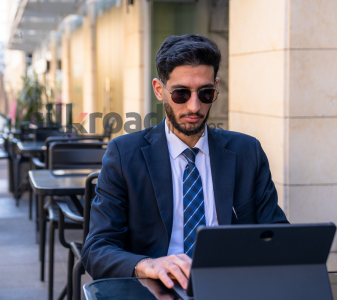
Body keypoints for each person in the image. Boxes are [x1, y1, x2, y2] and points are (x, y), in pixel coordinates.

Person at [81, 34, 288, 289]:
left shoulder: (248, 152)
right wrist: (148, 265)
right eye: (180, 94)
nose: (194, 106)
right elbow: (96, 249)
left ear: (216, 87)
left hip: (231, 288)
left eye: (205, 93)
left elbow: (277, 237)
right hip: (155, 290)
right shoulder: (125, 155)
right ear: (160, 90)